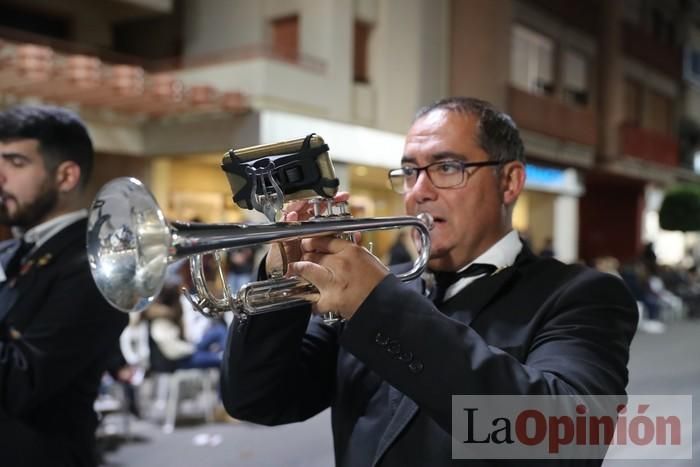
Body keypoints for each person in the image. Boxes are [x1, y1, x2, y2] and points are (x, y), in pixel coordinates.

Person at [220, 97, 638, 466]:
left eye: (446, 167)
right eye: (409, 171)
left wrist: (378, 305)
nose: (418, 191)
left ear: (509, 182)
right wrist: (282, 281)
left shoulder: (581, 295)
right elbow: (256, 398)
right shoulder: (381, 294)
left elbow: (565, 439)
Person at [0, 105, 128, 466]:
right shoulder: (15, 249)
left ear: (66, 176)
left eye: (15, 162)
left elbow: (18, 385)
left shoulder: (95, 266)